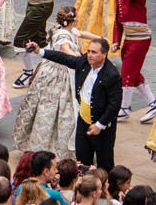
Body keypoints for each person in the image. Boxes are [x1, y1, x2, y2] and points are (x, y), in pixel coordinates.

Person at [13, 7, 98, 159]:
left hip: (50, 69)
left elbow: (81, 33)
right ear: (72, 20)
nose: (79, 18)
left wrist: (100, 40)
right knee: (54, 110)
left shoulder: (64, 28)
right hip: (58, 74)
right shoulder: (63, 36)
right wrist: (78, 57)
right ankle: (50, 147)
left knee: (48, 109)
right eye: (77, 16)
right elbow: (65, 48)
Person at [26, 37, 122, 171]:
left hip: (102, 127)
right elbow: (64, 58)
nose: (89, 55)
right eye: (88, 51)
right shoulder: (84, 62)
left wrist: (100, 125)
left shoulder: (112, 75)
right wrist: (40, 51)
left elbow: (114, 105)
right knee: (82, 161)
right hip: (83, 120)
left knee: (104, 164)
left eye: (94, 52)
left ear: (104, 54)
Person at [109, 0, 155, 122]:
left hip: (141, 38)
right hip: (129, 38)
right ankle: (153, 104)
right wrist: (116, 41)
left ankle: (124, 108)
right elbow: (117, 21)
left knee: (127, 73)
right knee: (133, 73)